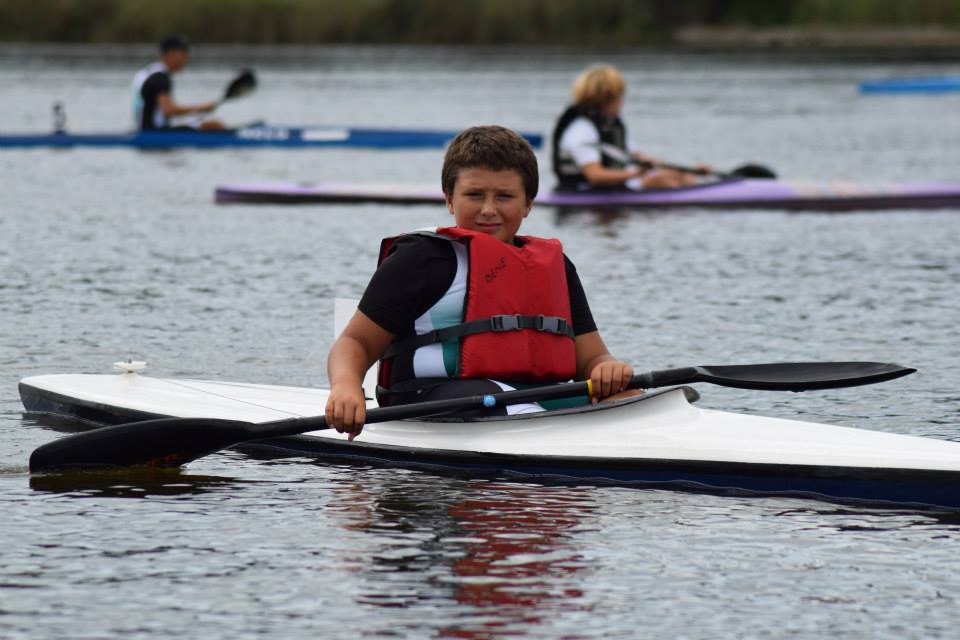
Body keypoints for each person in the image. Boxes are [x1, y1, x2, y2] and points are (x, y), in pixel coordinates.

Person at [325, 125, 641, 440]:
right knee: (503, 403)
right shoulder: (421, 259)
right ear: (450, 199)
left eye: (505, 196)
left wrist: (607, 368)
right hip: (433, 398)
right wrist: (345, 387)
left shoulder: (557, 265)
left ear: (528, 203)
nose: (488, 210)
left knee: (630, 399)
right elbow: (356, 342)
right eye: (474, 195)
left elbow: (592, 358)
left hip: (530, 395)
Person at [552, 64, 708, 191]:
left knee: (677, 176)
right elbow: (595, 176)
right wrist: (636, 174)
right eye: (618, 97)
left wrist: (688, 171)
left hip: (611, 189)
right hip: (582, 190)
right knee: (662, 181)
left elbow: (635, 156)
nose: (621, 103)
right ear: (605, 99)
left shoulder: (609, 125)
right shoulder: (582, 130)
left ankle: (701, 189)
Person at [131, 34, 224, 131]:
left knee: (200, 123)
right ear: (171, 53)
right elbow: (169, 110)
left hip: (143, 129)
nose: (187, 58)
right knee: (214, 125)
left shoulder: (148, 71)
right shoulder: (160, 77)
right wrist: (201, 108)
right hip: (156, 132)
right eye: (184, 53)